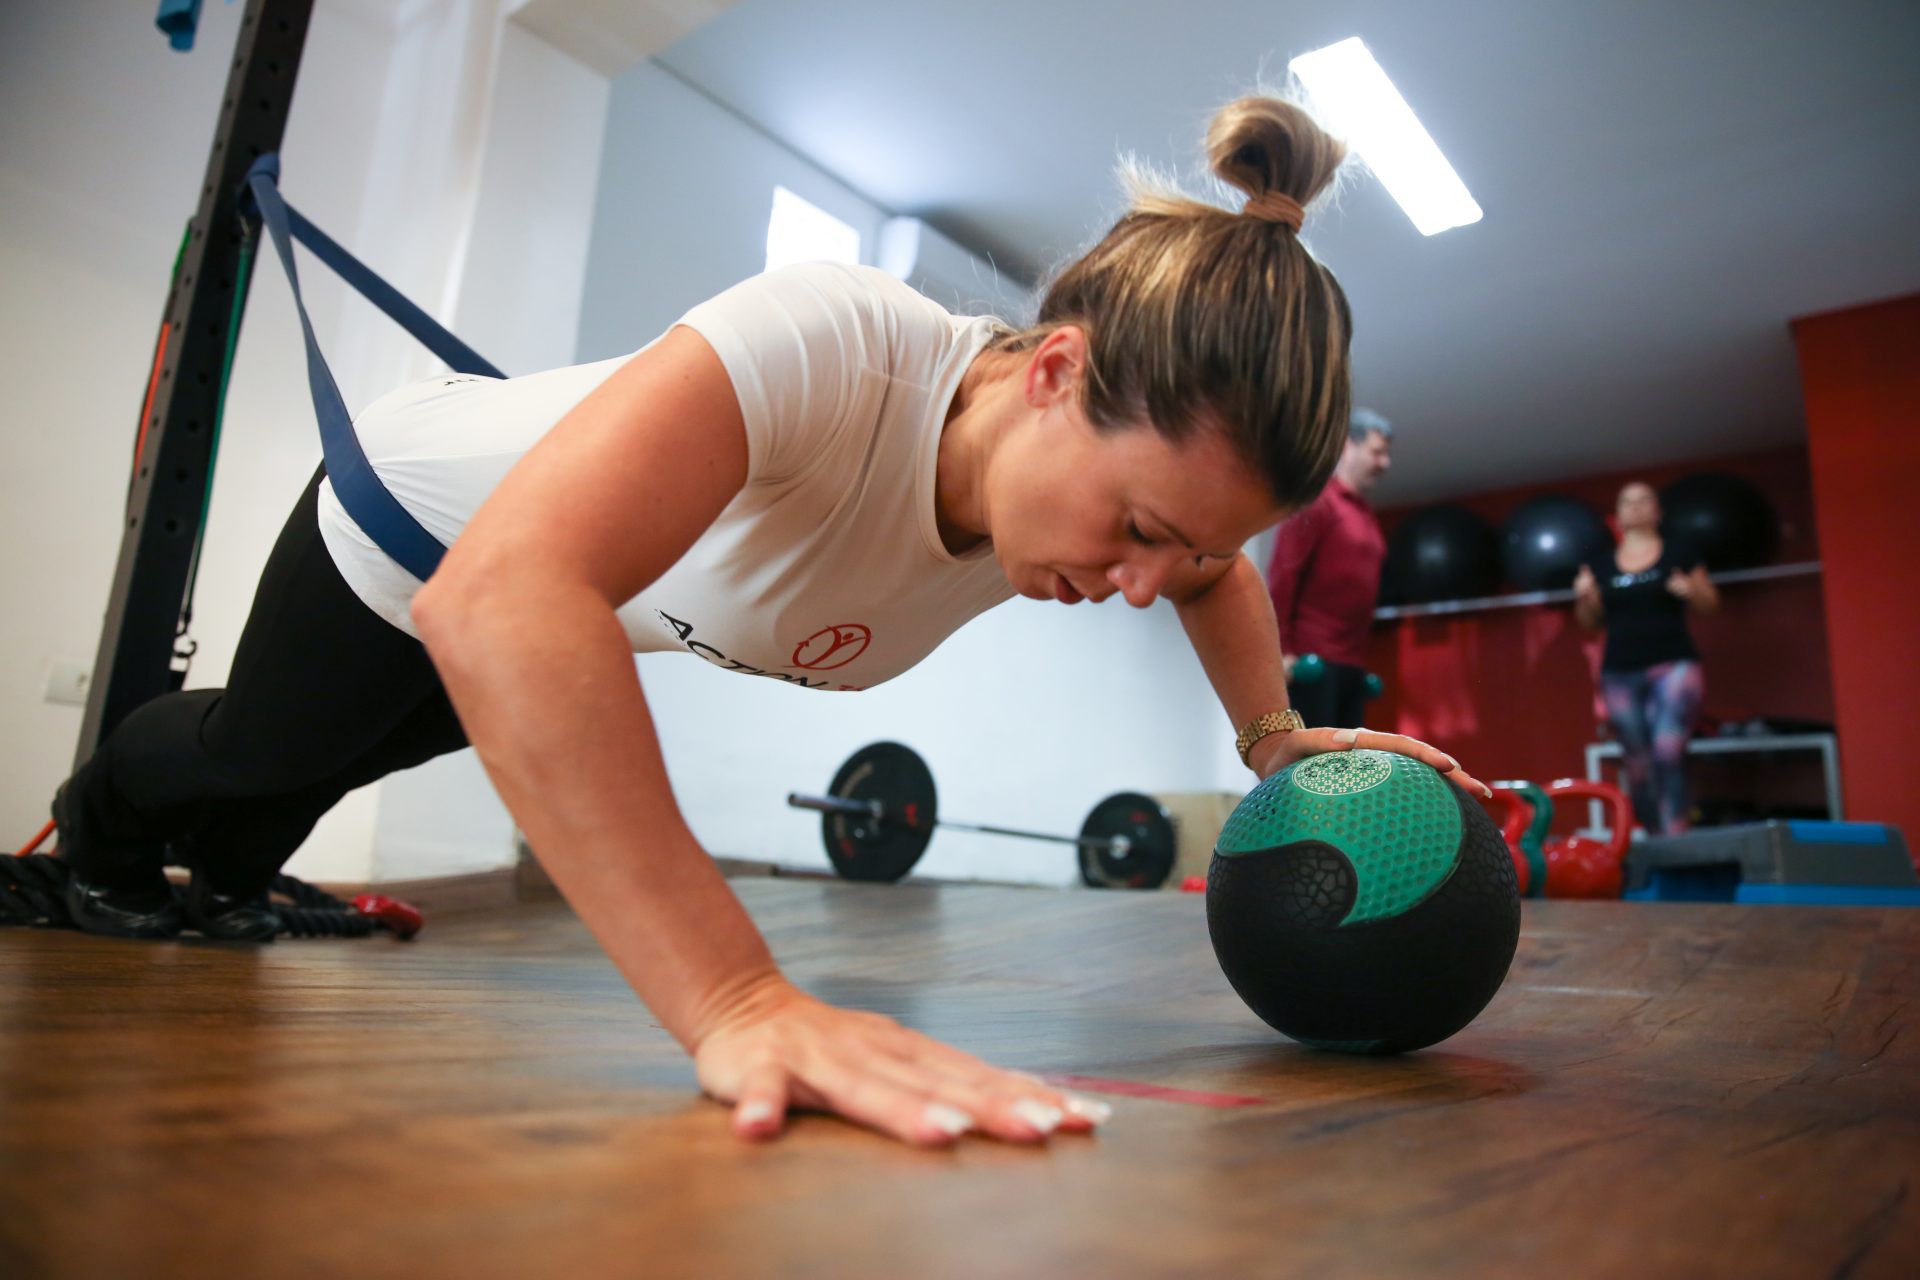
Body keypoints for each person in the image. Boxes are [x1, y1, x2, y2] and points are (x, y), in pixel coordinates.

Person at [51, 96, 1488, 1149]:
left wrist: (1274, 739)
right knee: (264, 748)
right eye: (1135, 531)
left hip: (576, 610)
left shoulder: (1080, 508)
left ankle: (219, 870)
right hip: (417, 527)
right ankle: (92, 826)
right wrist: (735, 996)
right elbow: (498, 596)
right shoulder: (833, 344)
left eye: (1172, 548)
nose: (1137, 582)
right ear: (1056, 372)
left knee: (309, 791)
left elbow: (1217, 574)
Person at [1572, 481, 1718, 834]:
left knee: (1668, 751)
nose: (1635, 507)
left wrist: (1692, 590)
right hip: (1620, 670)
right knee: (1638, 763)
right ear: (1618, 514)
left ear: (1657, 511)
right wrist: (1585, 598)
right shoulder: (1602, 564)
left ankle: (1678, 836)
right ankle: (1656, 839)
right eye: (1627, 502)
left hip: (1674, 664)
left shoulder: (1678, 553)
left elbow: (1710, 605)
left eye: (1643, 501)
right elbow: (1589, 623)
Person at [1265, 408, 1392, 728]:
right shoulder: (1319, 501)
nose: (1385, 463)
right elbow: (1282, 576)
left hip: (1350, 664)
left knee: (1349, 774)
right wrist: (1283, 652)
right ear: (1348, 445)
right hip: (1310, 664)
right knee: (1307, 771)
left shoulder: (1365, 515)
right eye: (1377, 452)